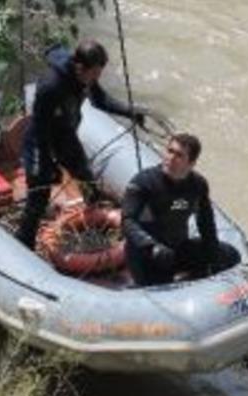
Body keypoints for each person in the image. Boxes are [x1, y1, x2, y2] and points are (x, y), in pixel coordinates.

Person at [16, 39, 147, 249]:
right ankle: (23, 243)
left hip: (65, 135)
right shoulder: (51, 86)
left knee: (88, 181)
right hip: (39, 141)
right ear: (79, 67)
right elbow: (40, 129)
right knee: (38, 197)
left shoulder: (86, 74)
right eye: (95, 74)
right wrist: (48, 165)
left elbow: (100, 100)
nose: (96, 79)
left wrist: (129, 111)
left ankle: (94, 229)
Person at [121, 133, 239, 286]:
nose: (170, 158)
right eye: (169, 151)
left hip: (178, 247)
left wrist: (213, 254)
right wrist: (152, 246)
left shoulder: (197, 185)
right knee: (161, 283)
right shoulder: (144, 183)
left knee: (230, 255)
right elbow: (127, 222)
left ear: (191, 163)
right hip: (147, 254)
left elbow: (205, 222)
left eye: (179, 155)